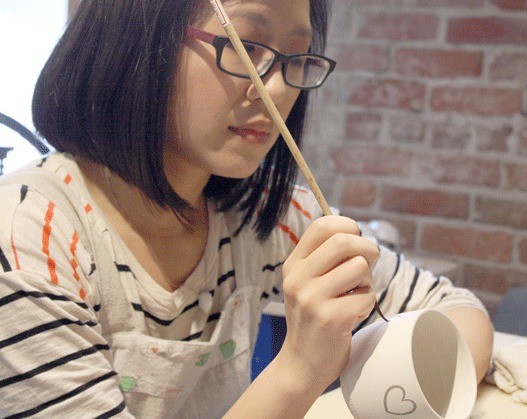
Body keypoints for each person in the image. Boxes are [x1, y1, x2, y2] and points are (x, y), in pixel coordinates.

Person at [0, 0, 493, 417]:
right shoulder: (29, 235)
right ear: (135, 40)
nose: (278, 89)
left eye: (296, 57)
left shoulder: (268, 215)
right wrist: (300, 368)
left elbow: (459, 311)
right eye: (246, 47)